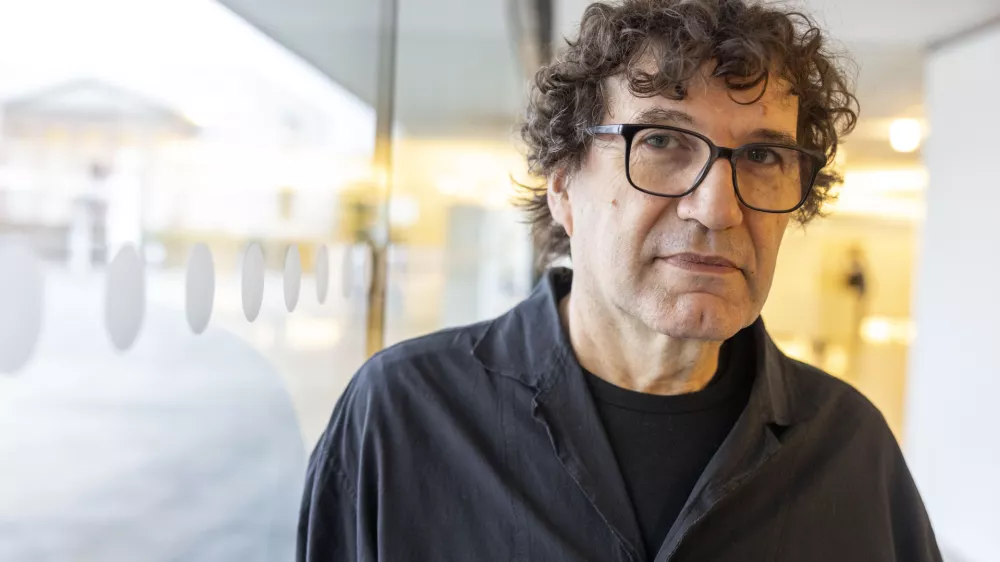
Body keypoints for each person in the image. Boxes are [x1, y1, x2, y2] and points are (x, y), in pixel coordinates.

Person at [297, 0, 942, 560]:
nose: (719, 208)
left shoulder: (852, 452)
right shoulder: (402, 417)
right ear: (562, 185)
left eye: (763, 156)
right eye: (662, 142)